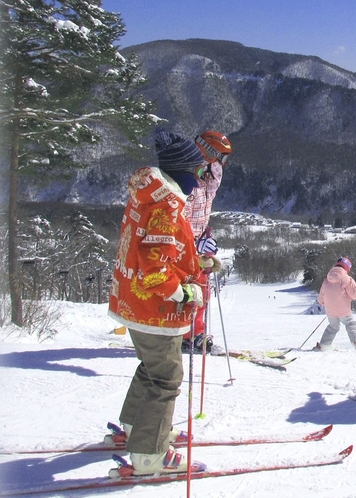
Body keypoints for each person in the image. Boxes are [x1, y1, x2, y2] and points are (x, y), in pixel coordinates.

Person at [108, 131, 216, 476]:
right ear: (183, 171)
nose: (200, 181)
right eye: (198, 173)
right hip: (154, 310)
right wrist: (186, 292)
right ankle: (150, 453)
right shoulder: (167, 206)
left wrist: (198, 263)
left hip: (132, 303)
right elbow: (155, 272)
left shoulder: (150, 197)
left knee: (152, 368)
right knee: (167, 378)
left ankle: (136, 427)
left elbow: (158, 252)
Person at [181, 131, 232, 353]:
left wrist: (204, 237)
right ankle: (184, 334)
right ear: (208, 152)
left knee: (202, 289)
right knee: (188, 291)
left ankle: (196, 332)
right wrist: (192, 244)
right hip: (183, 245)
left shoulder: (208, 177)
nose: (222, 163)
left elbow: (211, 189)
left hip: (198, 241)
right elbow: (178, 218)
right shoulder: (185, 179)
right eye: (221, 157)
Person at [313, 257, 356, 351]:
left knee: (333, 326)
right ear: (347, 268)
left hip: (330, 310)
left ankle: (324, 345)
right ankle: (355, 343)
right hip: (343, 309)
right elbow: (355, 294)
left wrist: (326, 304)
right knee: (350, 324)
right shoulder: (347, 279)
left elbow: (321, 298)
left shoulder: (326, 280)